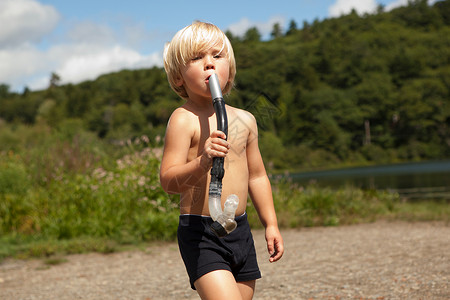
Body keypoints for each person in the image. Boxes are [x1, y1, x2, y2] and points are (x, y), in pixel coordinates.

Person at [160, 21, 284, 300]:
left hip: (239, 229)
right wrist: (202, 161)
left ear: (230, 70)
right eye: (196, 58)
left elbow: (257, 176)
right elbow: (168, 180)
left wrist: (271, 223)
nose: (209, 64)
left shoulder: (245, 120)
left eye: (217, 56)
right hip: (201, 232)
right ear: (178, 77)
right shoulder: (183, 119)